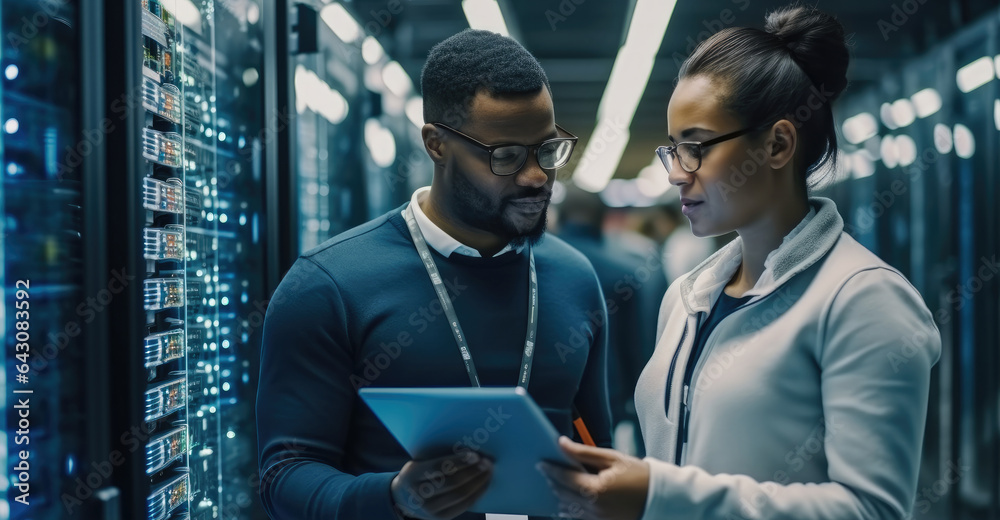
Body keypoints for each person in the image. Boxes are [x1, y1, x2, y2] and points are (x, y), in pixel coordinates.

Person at [539, 6, 941, 520]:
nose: (676, 175)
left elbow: (871, 510)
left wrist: (658, 495)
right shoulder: (686, 297)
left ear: (777, 144)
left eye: (696, 147)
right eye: (672, 150)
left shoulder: (863, 300)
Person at [257, 29, 612, 520]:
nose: (536, 176)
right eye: (506, 156)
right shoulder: (330, 285)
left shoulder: (574, 277)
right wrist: (393, 496)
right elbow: (285, 476)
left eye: (547, 151)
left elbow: (599, 450)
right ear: (436, 144)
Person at [557, 187, 666, 457]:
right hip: (607, 395)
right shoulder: (624, 273)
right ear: (603, 219)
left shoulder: (536, 264)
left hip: (547, 393)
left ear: (560, 216)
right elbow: (636, 347)